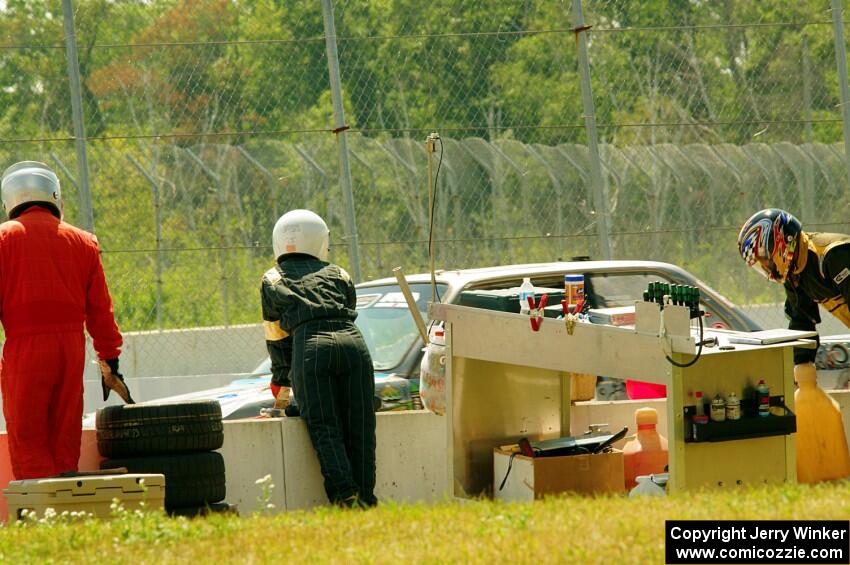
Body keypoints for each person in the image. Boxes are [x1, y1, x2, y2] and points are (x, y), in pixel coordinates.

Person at [0, 161, 129, 480]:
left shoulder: (4, 239)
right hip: (71, 351)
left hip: (24, 350)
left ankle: (37, 513)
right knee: (64, 433)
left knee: (27, 435)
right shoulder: (84, 240)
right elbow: (101, 309)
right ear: (54, 195)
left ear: (11, 199)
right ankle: (65, 505)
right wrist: (109, 360)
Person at [260, 209, 377, 508]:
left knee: (326, 428)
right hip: (354, 345)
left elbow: (277, 343)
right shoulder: (340, 273)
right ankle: (366, 501)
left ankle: (345, 498)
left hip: (311, 348)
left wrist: (282, 390)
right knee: (361, 428)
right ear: (320, 240)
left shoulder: (272, 279)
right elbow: (348, 308)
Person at [737, 208, 850, 376]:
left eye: (765, 261)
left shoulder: (833, 256)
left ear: (781, 242)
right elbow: (802, 323)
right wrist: (802, 368)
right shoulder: (794, 272)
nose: (767, 270)